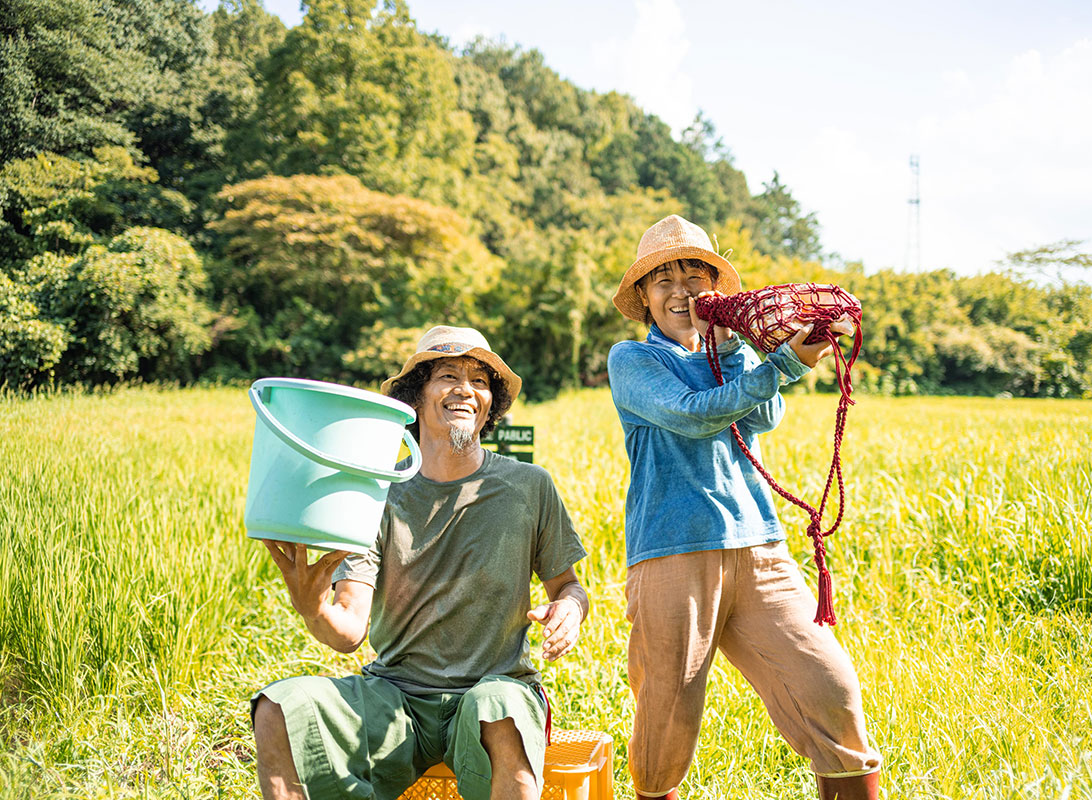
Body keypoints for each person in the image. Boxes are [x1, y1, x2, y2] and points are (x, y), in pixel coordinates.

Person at [607, 215, 882, 800]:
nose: (681, 291)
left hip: (758, 546)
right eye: (664, 280)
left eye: (695, 276)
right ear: (645, 299)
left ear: (716, 289)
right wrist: (782, 364)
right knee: (667, 715)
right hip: (672, 551)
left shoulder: (731, 353)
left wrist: (733, 344)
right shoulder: (632, 361)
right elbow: (692, 412)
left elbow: (761, 416)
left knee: (831, 688)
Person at [252, 325, 589, 800]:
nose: (465, 390)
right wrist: (314, 608)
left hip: (494, 687)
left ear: (491, 403)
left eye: (480, 380)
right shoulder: (376, 496)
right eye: (448, 375)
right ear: (415, 396)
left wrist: (570, 609)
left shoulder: (528, 486)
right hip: (396, 694)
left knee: (501, 711)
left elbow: (568, 585)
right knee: (279, 710)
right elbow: (348, 631)